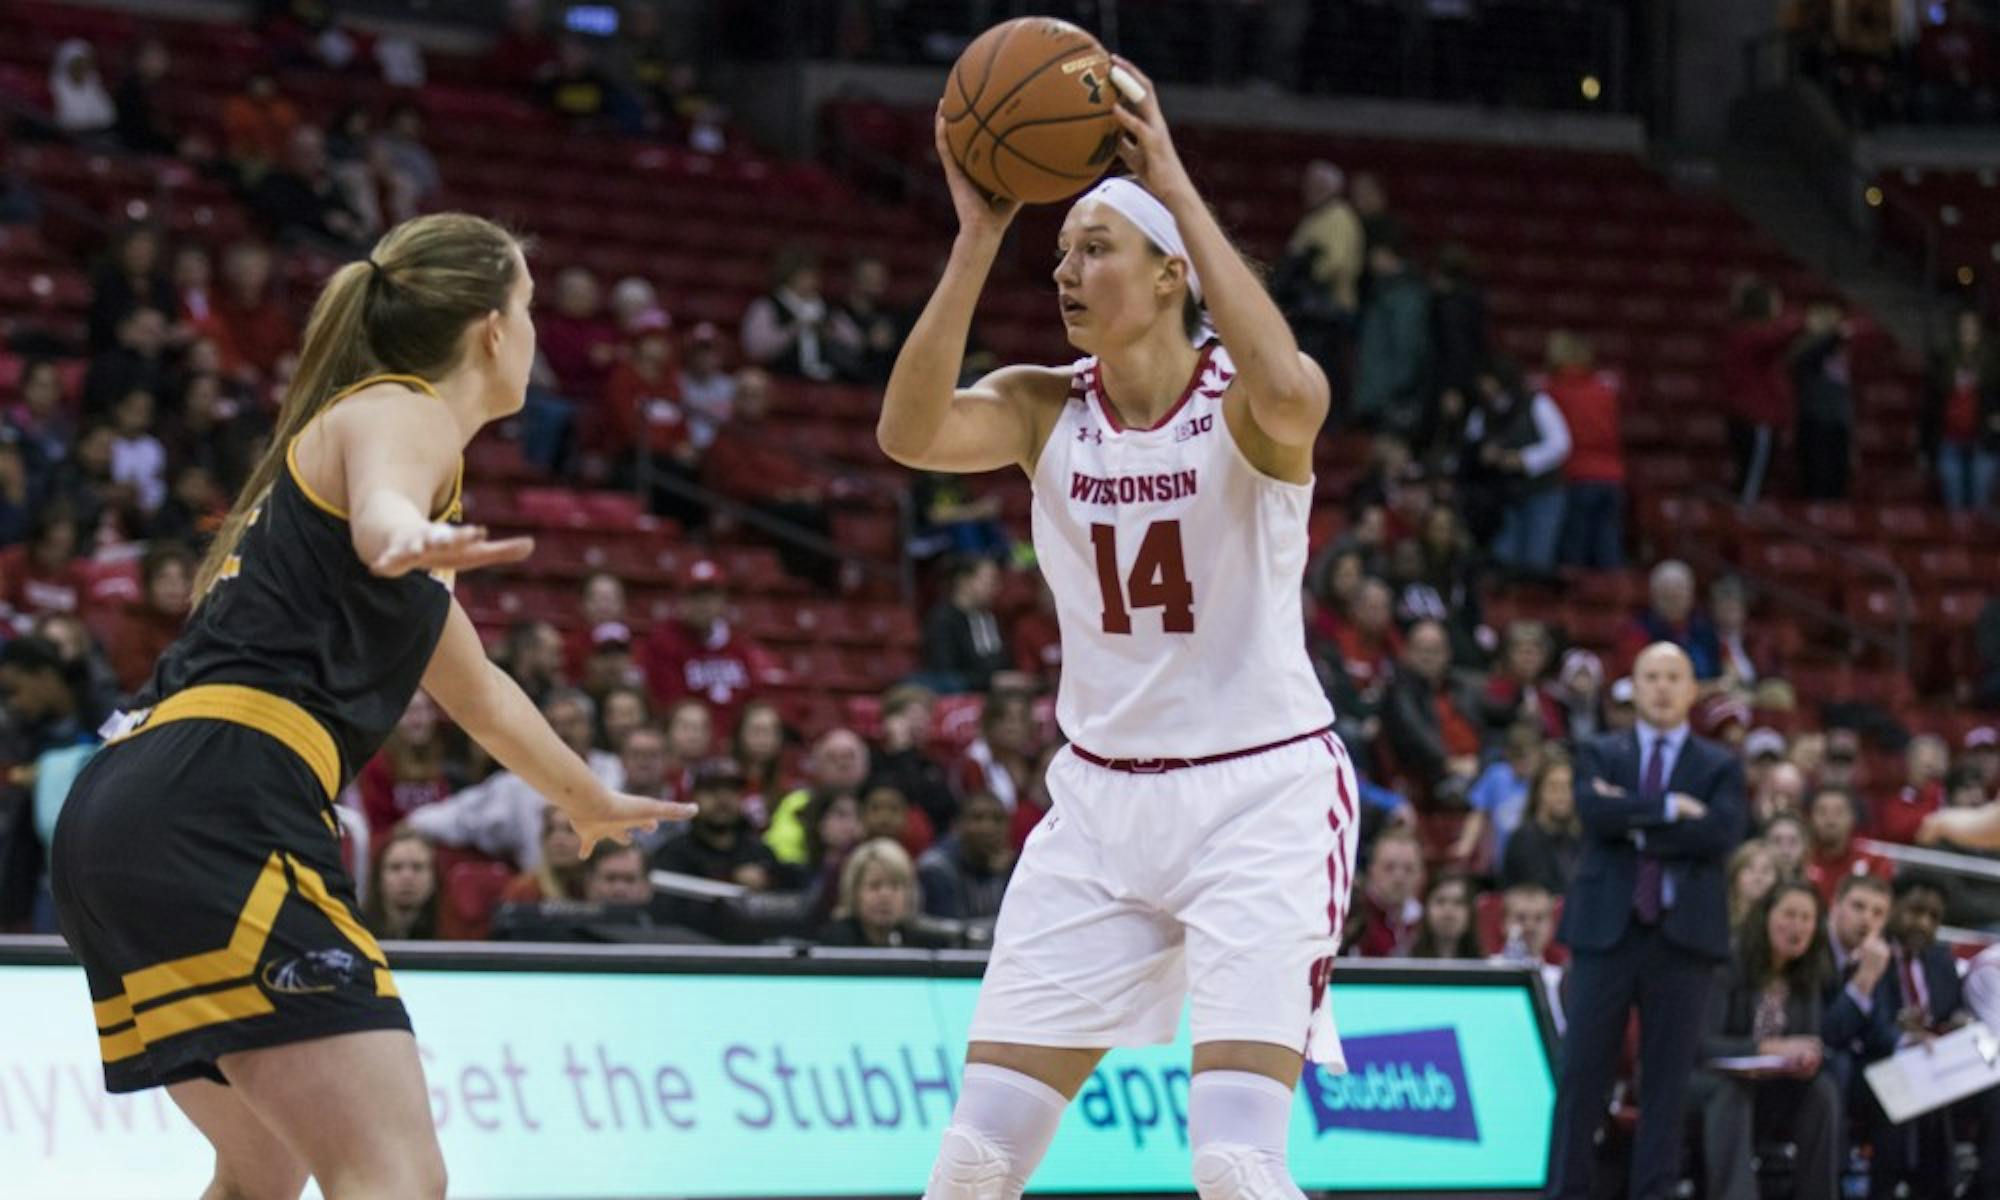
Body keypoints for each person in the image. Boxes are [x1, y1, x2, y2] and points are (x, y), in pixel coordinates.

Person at [47, 213, 690, 1200]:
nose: (531, 329)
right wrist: (397, 536)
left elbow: (480, 695)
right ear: (491, 326)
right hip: (220, 800)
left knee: (262, 1172)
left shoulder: (369, 444)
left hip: (135, 809)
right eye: (526, 304)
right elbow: (389, 501)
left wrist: (587, 799)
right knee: (393, 1176)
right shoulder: (403, 411)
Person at [881, 64, 1357, 1200]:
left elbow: (1293, 389)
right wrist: (975, 240)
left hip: (1259, 798)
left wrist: (1169, 179)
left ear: (1169, 272)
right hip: (1096, 808)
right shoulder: (1043, 403)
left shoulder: (1248, 402)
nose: (1067, 272)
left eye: (1093, 247)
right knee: (971, 1163)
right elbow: (906, 432)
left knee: (1234, 1166)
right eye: (1060, 256)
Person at [1546, 642, 1746, 1200]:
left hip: (1683, 941)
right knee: (1581, 1079)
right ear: (1635, 687)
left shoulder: (1720, 765)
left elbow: (1721, 833)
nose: (1661, 687)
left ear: (1690, 691)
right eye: (1651, 676)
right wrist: (1668, 810)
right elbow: (1591, 811)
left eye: (1673, 677)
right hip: (1605, 934)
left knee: (1666, 1088)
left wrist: (1629, 816)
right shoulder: (1599, 750)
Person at [1690, 881, 1840, 1200]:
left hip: (1766, 1089)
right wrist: (1766, 1049)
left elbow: (1809, 1041)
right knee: (1731, 1091)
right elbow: (1700, 1045)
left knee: (1822, 1091)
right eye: (1789, 914)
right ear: (1765, 917)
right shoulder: (1727, 964)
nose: (1796, 926)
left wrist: (1805, 1060)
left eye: (1806, 918)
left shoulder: (1806, 978)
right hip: (1704, 1086)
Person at [651, 758, 779, 890]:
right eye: (712, 789)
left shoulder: (760, 854)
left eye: (732, 790)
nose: (723, 798)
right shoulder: (674, 855)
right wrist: (731, 881)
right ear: (693, 797)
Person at [1922, 308, 2000, 514]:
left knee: (1980, 502)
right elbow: (1931, 404)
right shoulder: (1945, 360)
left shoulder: (1993, 362)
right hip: (1950, 438)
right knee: (1954, 506)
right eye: (1964, 328)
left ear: (1980, 332)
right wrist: (1925, 443)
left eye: (1972, 328)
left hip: (1983, 440)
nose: (1968, 333)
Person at [817, 838, 956, 949]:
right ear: (854, 893)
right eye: (875, 886)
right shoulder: (834, 944)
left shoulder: (927, 943)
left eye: (895, 886)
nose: (885, 896)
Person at [915, 790, 1015, 923]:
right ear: (958, 825)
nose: (988, 827)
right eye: (977, 818)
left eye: (997, 819)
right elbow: (951, 932)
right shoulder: (936, 868)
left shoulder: (1016, 867)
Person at [920, 555, 1012, 692]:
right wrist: (990, 681)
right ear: (964, 581)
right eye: (991, 581)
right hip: (962, 697)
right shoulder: (943, 620)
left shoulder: (991, 617)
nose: (996, 588)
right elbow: (946, 674)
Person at [1503, 752, 1581, 894]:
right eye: (1553, 786)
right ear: (1538, 791)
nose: (1562, 795)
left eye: (1568, 786)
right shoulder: (1524, 838)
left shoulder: (1580, 838)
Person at [1803, 785, 1891, 907]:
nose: (1830, 820)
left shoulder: (1874, 861)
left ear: (1853, 817)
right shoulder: (1802, 859)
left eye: (1839, 812)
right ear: (1810, 818)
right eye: (1822, 812)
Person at [1349, 826, 1424, 958]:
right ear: (1372, 870)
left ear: (1421, 875)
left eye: (1409, 869)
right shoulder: (1353, 914)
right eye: (1389, 868)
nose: (1399, 878)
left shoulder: (1426, 921)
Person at [498, 804, 589, 904]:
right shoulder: (525, 890)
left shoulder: (604, 886)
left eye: (570, 830)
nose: (558, 840)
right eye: (550, 830)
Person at [361, 830, 439, 941]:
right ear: (378, 877)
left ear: (434, 877)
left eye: (417, 867)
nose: (407, 877)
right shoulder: (357, 931)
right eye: (395, 867)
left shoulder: (454, 937)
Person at [1407, 872, 1482, 959]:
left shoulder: (1486, 967)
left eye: (1458, 902)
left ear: (1470, 913)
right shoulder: (1404, 962)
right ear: (1426, 909)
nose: (1448, 910)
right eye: (1440, 901)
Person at [1725, 838, 1780, 929]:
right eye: (1749, 868)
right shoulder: (1718, 915)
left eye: (1766, 870)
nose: (1758, 877)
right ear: (1735, 874)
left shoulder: (1780, 923)